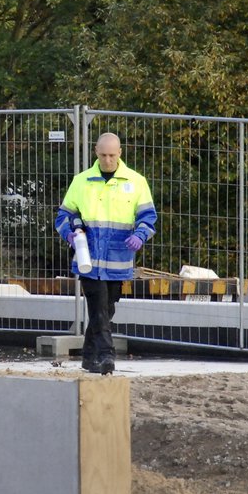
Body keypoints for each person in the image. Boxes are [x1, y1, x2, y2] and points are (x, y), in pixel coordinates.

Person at [54, 132, 156, 374]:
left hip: (118, 260)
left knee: (106, 309)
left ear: (120, 153)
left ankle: (88, 356)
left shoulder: (136, 182)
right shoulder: (82, 181)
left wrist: (140, 235)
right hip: (88, 260)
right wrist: (70, 233)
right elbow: (63, 216)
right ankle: (106, 357)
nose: (108, 160)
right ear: (96, 153)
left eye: (112, 155)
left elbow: (148, 217)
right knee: (98, 307)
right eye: (103, 155)